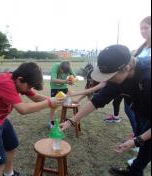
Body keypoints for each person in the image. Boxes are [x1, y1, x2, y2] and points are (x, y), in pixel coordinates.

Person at [61, 45, 151, 176]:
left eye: (109, 75)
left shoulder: (148, 78)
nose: (106, 79)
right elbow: (98, 100)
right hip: (141, 108)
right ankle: (134, 171)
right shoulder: (118, 78)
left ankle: (135, 172)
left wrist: (137, 141)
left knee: (146, 144)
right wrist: (71, 121)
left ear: (126, 68)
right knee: (142, 139)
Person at [0, 62, 62, 176]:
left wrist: (55, 99)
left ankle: (9, 173)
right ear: (20, 79)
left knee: (11, 145)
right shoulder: (6, 83)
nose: (29, 89)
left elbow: (35, 97)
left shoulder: (20, 81)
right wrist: (49, 102)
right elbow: (23, 109)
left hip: (0, 119)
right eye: (30, 86)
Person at [125, 15, 151, 166]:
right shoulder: (141, 49)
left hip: (147, 95)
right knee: (137, 120)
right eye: (141, 28)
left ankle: (140, 156)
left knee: (146, 123)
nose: (142, 31)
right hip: (134, 96)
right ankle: (138, 141)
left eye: (146, 28)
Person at [49, 61, 76, 128]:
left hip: (64, 87)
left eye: (65, 72)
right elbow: (53, 80)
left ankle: (64, 120)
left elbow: (75, 77)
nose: (63, 73)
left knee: (66, 103)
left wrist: (72, 80)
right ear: (60, 67)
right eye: (62, 71)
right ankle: (51, 122)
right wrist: (65, 81)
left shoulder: (69, 68)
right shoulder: (56, 66)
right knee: (53, 105)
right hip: (54, 87)